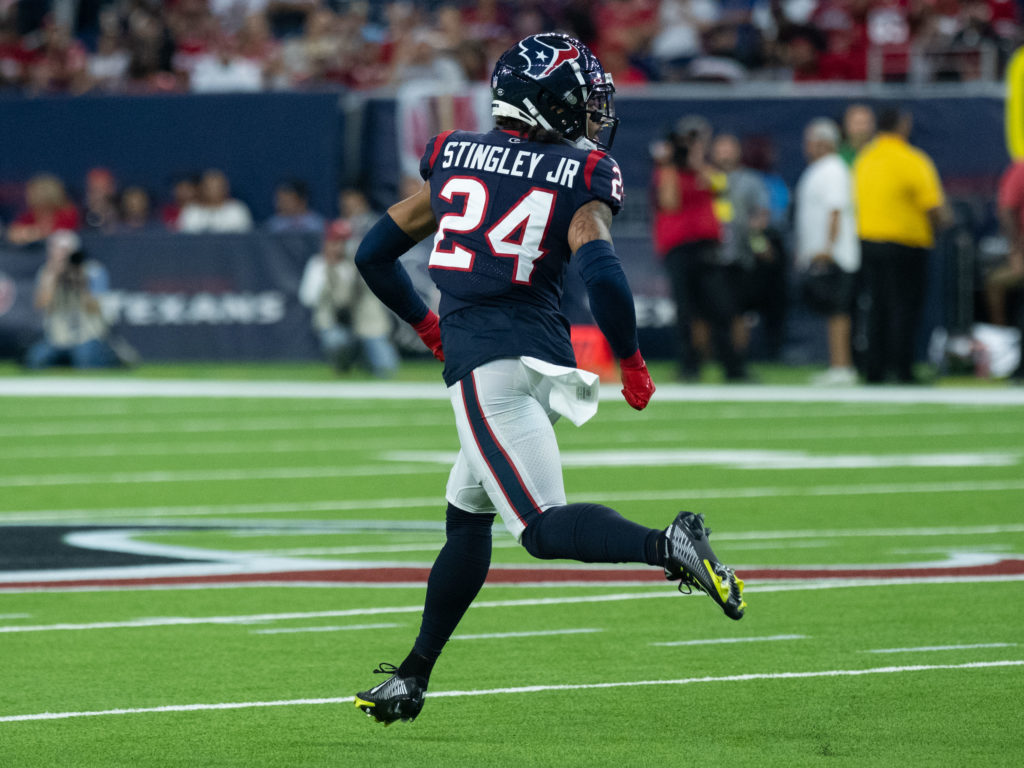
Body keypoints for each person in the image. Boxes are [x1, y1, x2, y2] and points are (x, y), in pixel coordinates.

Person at [351, 32, 745, 727]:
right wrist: (631, 359)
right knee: (468, 517)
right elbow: (602, 272)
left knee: (536, 526)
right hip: (549, 363)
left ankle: (667, 543)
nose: (594, 116)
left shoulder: (452, 156)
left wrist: (427, 325)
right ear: (551, 104)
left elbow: (374, 253)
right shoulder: (581, 174)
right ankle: (413, 675)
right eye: (585, 102)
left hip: (488, 366)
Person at [853, 107, 951, 384]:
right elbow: (933, 206)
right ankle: (902, 368)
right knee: (903, 308)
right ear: (903, 126)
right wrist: (944, 222)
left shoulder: (865, 159)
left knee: (875, 307)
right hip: (905, 243)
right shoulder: (912, 160)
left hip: (868, 240)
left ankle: (874, 369)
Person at [652, 116, 747, 381]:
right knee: (686, 311)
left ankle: (733, 368)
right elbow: (669, 202)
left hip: (707, 247)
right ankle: (689, 367)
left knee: (721, 308)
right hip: (679, 248)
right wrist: (671, 163)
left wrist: (696, 163)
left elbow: (719, 185)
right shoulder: (666, 170)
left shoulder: (706, 170)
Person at [794, 118, 860, 385]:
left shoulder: (833, 169)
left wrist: (827, 247)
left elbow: (836, 210)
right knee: (834, 310)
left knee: (838, 310)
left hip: (837, 255)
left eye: (810, 140)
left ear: (823, 142)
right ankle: (838, 364)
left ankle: (842, 366)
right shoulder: (821, 169)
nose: (806, 146)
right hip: (825, 252)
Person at [298, 219, 399, 377]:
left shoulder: (359, 262)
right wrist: (327, 272)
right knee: (335, 340)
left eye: (344, 241)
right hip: (335, 321)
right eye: (336, 241)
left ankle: (368, 364)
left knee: (385, 366)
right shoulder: (318, 264)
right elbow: (307, 298)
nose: (340, 246)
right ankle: (343, 366)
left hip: (362, 321)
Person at [24, 231, 120, 369]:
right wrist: (53, 278)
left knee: (84, 359)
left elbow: (97, 308)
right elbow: (41, 305)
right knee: (36, 359)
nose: (59, 255)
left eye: (63, 251)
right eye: (55, 249)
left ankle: (109, 358)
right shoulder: (47, 272)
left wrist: (80, 282)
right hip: (58, 337)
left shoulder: (92, 271)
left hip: (87, 335)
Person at [6, 174, 80, 245]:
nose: (28, 196)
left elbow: (62, 234)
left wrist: (33, 233)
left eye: (34, 192)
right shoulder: (31, 215)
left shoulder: (68, 213)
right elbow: (14, 231)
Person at [177, 169, 253, 233]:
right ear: (202, 188)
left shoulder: (237, 210)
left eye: (217, 187)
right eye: (209, 187)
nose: (213, 190)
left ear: (225, 188)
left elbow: (245, 239)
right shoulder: (191, 211)